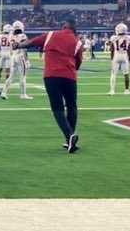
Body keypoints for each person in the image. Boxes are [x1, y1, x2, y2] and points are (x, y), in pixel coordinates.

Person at [20, 19, 83, 153]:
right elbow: (78, 62)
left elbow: (31, 42)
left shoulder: (51, 34)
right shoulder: (77, 41)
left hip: (51, 76)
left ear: (65, 26)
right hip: (69, 76)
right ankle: (69, 139)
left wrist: (18, 46)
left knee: (57, 108)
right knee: (72, 105)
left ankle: (69, 136)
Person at [4, 21, 32, 100]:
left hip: (13, 56)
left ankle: (4, 92)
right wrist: (27, 60)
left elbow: (10, 47)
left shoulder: (10, 36)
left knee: (11, 76)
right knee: (23, 76)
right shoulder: (23, 36)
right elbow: (25, 48)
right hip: (21, 56)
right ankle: (23, 94)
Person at [108, 23, 130, 95]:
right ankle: (127, 90)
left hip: (116, 56)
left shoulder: (113, 38)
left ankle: (112, 90)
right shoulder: (128, 38)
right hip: (124, 56)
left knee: (113, 74)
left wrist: (112, 59)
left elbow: (112, 49)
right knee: (126, 74)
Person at [0, 23, 13, 99]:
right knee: (7, 70)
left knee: (0, 69)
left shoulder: (0, 36)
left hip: (2, 52)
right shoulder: (11, 36)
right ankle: (5, 86)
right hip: (8, 53)